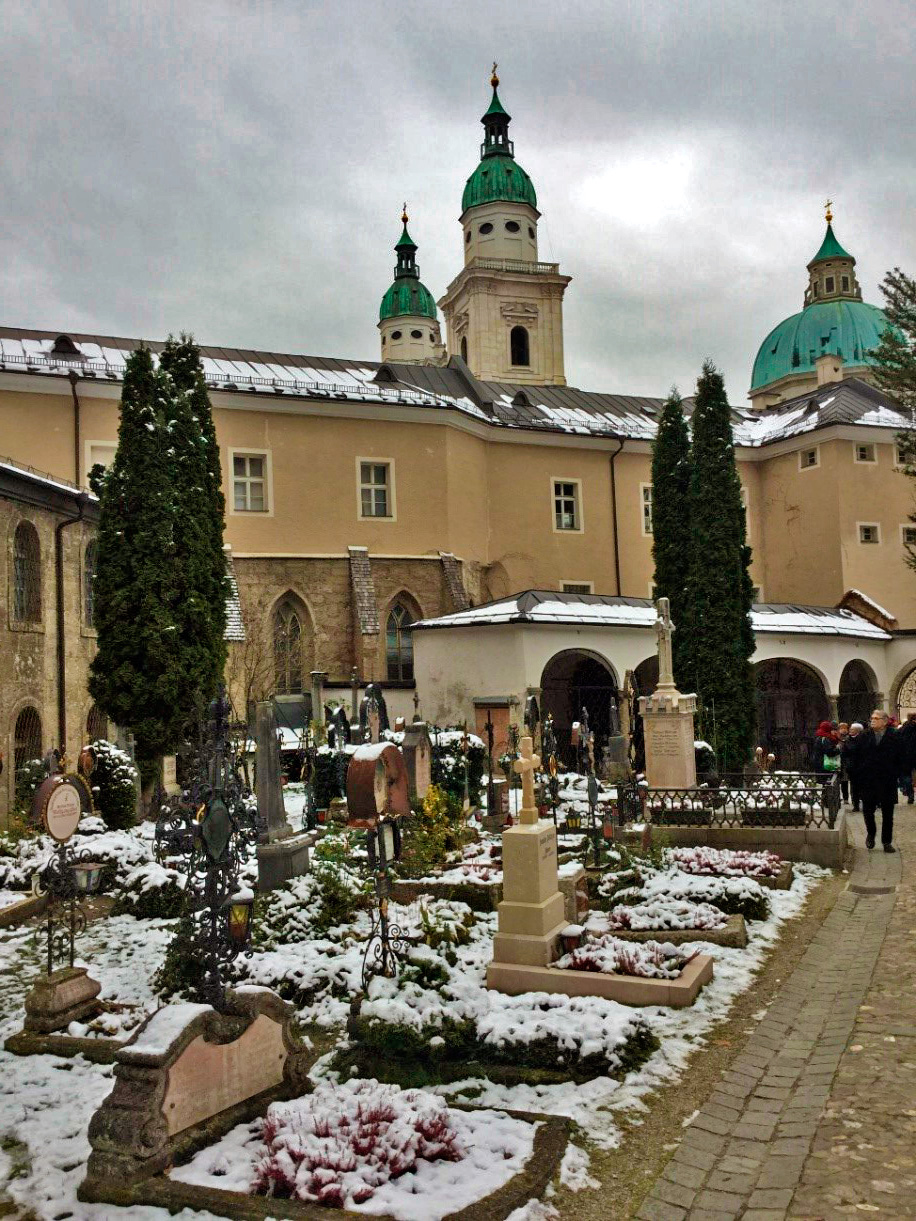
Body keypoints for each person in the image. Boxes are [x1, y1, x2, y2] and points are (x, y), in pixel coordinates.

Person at [857, 709, 902, 852]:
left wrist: (897, 772)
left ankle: (886, 842)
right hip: (868, 779)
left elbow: (901, 755)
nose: (873, 720)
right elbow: (857, 754)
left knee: (888, 813)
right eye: (872, 718)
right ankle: (871, 833)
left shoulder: (894, 735)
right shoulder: (865, 735)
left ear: (885, 721)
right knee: (868, 810)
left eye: (876, 718)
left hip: (887, 779)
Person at [842, 723, 864, 812]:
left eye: (852, 729)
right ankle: (856, 805)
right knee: (854, 787)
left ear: (858, 731)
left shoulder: (863, 739)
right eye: (850, 729)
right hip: (852, 767)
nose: (850, 731)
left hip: (862, 766)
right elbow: (845, 753)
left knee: (863, 786)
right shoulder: (848, 740)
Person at [897, 713, 916, 804]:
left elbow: (898, 739)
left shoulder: (904, 728)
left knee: (907, 775)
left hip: (906, 756)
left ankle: (910, 794)